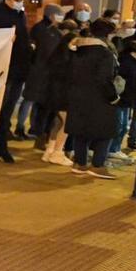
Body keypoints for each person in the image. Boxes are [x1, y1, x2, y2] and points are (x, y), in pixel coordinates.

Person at [67, 19, 121, 179]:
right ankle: (97, 166)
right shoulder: (105, 53)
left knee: (81, 131)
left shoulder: (77, 50)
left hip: (77, 95)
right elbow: (104, 79)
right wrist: (114, 97)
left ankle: (80, 163)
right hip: (99, 98)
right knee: (107, 131)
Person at [0, 0, 32, 163]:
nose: (19, 2)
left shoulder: (19, 14)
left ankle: (2, 142)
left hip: (19, 68)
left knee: (8, 109)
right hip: (5, 68)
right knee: (0, 107)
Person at [41, 20, 80, 166]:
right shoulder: (66, 61)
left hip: (55, 93)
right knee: (67, 122)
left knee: (58, 122)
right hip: (63, 94)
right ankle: (58, 152)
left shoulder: (57, 58)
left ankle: (50, 151)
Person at [26, 4, 65, 148]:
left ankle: (44, 135)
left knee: (48, 108)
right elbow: (46, 52)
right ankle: (39, 135)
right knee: (42, 107)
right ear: (52, 15)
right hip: (44, 74)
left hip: (50, 74)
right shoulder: (43, 30)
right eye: (59, 14)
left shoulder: (54, 31)